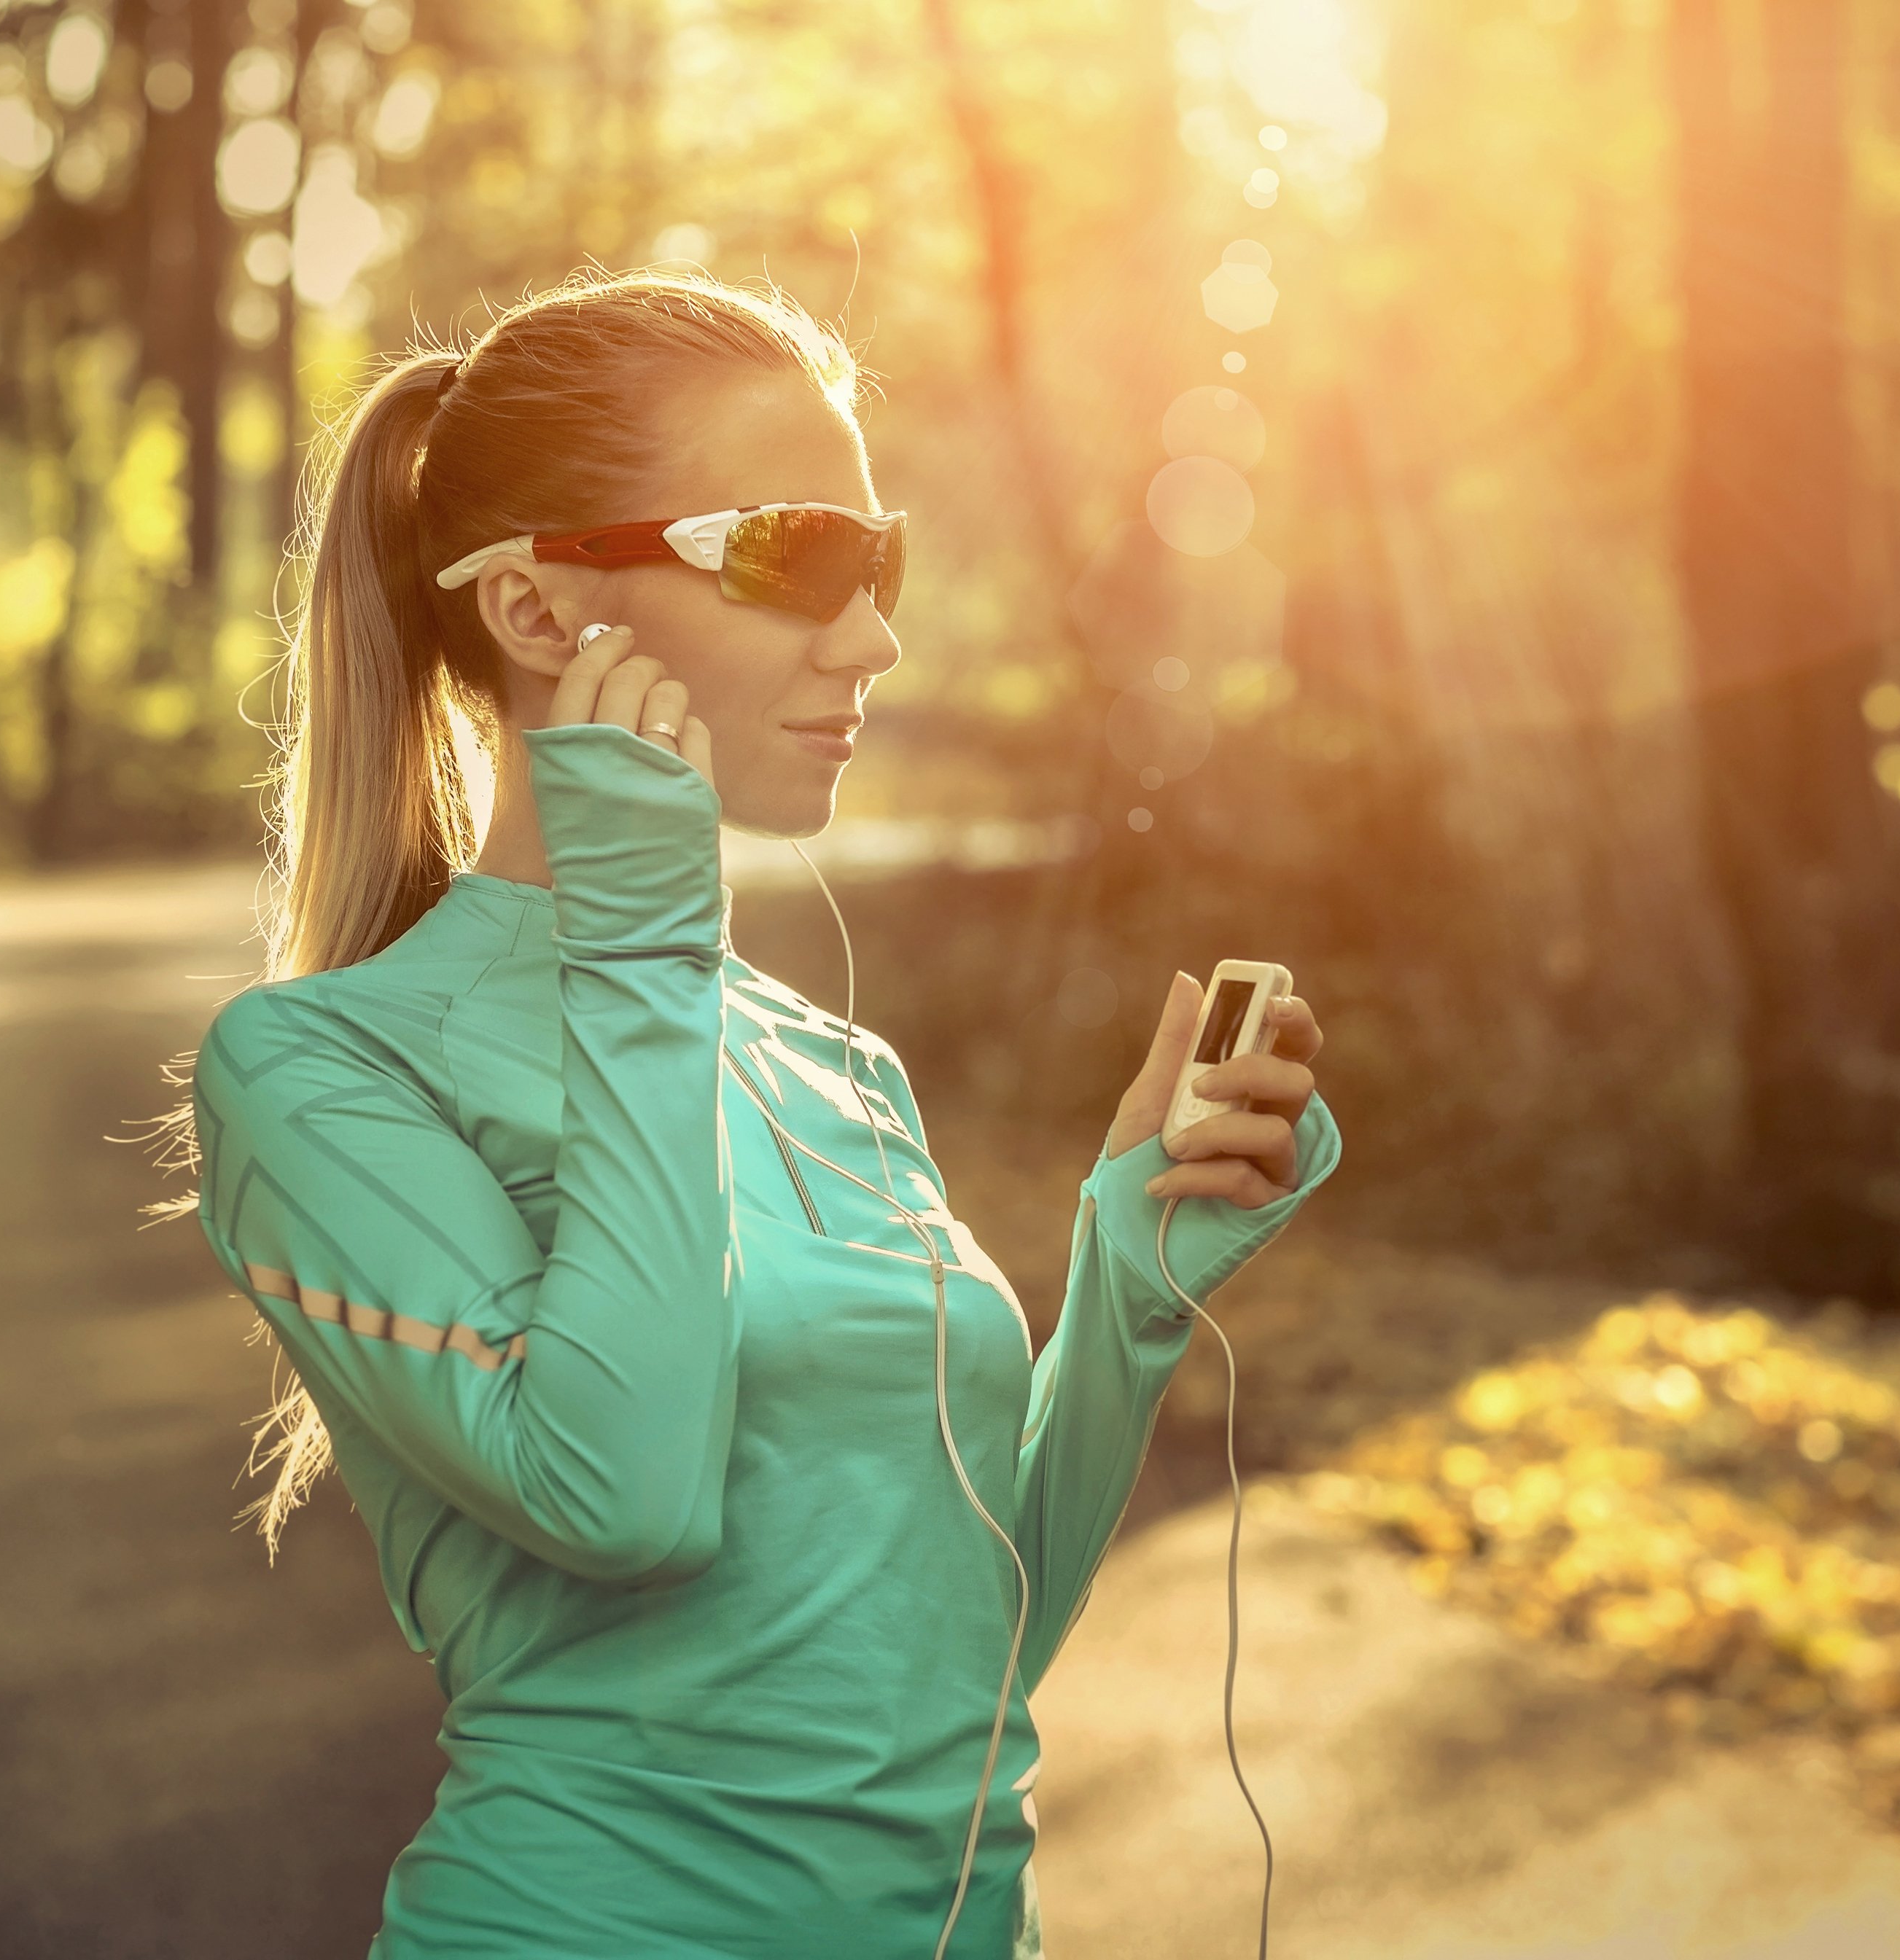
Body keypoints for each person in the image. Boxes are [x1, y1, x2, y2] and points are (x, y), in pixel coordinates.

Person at [187, 268, 1342, 1959]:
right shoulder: (318, 1072)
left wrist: (1133, 1270)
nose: (871, 636)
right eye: (795, 554)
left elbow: (967, 1631)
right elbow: (624, 1493)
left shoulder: (833, 1065)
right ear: (530, 610)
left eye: (879, 563)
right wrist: (643, 942)